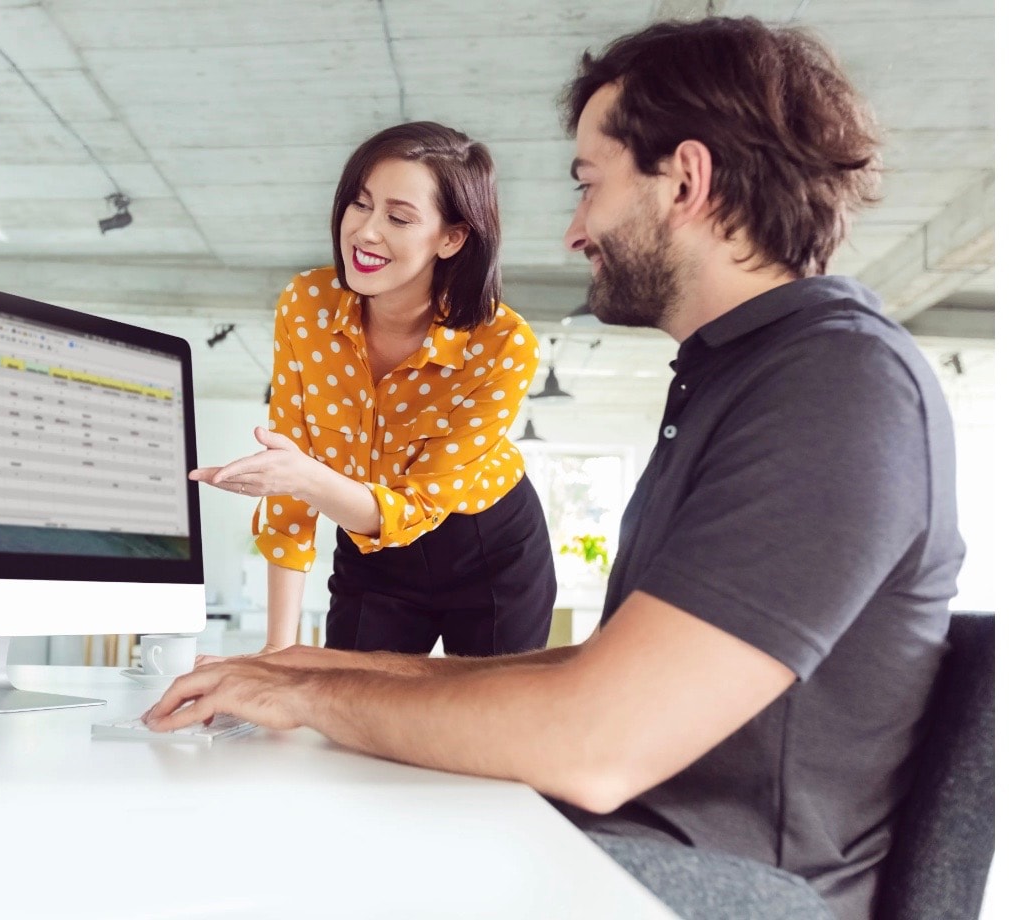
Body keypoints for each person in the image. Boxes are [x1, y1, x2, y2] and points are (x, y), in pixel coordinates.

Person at [150, 17, 963, 920]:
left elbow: (594, 739)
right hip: (621, 850)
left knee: (255, 870)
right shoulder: (741, 378)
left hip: (710, 892)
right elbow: (593, 677)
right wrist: (305, 673)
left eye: (590, 186)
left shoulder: (837, 384)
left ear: (686, 180)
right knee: (296, 807)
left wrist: (316, 690)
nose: (577, 231)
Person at [191, 121, 557, 658]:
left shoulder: (503, 345)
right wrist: (277, 650)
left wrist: (306, 477)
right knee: (348, 712)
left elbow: (414, 505)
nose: (365, 231)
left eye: (399, 217)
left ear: (452, 237)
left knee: (481, 727)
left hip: (486, 550)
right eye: (359, 204)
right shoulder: (307, 304)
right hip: (368, 548)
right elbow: (291, 473)